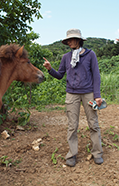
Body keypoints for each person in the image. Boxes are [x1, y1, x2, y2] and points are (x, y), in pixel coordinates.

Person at [43, 28, 103, 167]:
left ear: (79, 40)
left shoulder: (90, 55)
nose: (69, 42)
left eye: (71, 39)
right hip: (71, 94)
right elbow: (59, 76)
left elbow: (96, 76)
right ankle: (72, 154)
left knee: (93, 123)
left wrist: (97, 96)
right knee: (72, 126)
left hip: (88, 93)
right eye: (67, 40)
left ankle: (97, 153)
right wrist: (50, 69)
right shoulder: (66, 57)